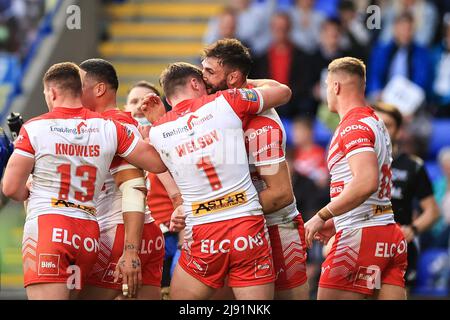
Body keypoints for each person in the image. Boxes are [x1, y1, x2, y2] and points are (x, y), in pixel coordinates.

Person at [1, 62, 166, 300]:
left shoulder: (35, 127)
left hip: (59, 226)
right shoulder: (110, 127)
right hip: (89, 232)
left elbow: (11, 189)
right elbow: (158, 163)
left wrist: (25, 177)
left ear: (52, 92)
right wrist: (159, 125)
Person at [144, 61, 291, 300]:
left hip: (204, 232)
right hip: (247, 226)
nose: (210, 86)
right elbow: (283, 92)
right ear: (194, 83)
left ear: (169, 98)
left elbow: (159, 164)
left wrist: (157, 122)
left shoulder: (157, 131)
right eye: (205, 82)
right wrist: (240, 85)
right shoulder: (227, 100)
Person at [201, 38, 309, 300]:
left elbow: (281, 194)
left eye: (209, 72)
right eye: (202, 69)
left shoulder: (261, 127)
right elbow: (274, 88)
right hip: (237, 224)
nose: (201, 78)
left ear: (233, 77)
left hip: (274, 228)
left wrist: (221, 208)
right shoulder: (225, 105)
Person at [304, 57, 408, 300]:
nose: (326, 92)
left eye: (327, 85)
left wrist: (322, 216)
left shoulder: (353, 127)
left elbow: (365, 181)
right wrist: (338, 218)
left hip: (360, 236)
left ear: (336, 87)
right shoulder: (376, 122)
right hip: (388, 234)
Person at [75, 59, 164, 300]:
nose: (73, 91)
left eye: (79, 85)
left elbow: (134, 187)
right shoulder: (115, 123)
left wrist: (130, 251)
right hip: (146, 232)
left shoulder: (110, 125)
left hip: (121, 235)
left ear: (99, 89)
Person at [125, 80, 183, 299]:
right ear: (125, 109)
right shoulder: (115, 146)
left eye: (147, 100)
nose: (140, 105)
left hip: (170, 236)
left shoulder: (175, 142)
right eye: (134, 101)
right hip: (131, 239)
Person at [373, 102, 439, 290]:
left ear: (399, 131)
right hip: (364, 245)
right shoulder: (356, 161)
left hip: (399, 249)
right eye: (377, 123)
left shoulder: (413, 166)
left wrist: (413, 229)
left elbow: (432, 211)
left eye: (388, 124)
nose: (382, 129)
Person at [251, 12, 314, 119]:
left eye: (284, 27)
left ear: (289, 28)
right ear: (271, 29)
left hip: (294, 108)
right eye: (277, 27)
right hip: (267, 107)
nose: (280, 31)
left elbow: (304, 84)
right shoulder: (261, 58)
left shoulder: (303, 57)